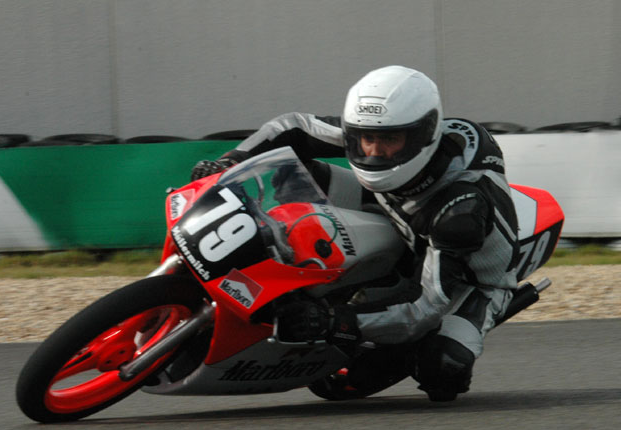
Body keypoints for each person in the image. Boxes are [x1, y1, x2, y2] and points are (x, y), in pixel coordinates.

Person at [190, 65, 520, 402]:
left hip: (468, 279)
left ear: (425, 136)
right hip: (399, 214)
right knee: (293, 176)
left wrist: (334, 321)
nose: (374, 151)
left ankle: (405, 348)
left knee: (442, 368)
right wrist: (230, 161)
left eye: (389, 140)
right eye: (366, 138)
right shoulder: (392, 127)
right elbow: (294, 127)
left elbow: (426, 307)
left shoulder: (459, 211)